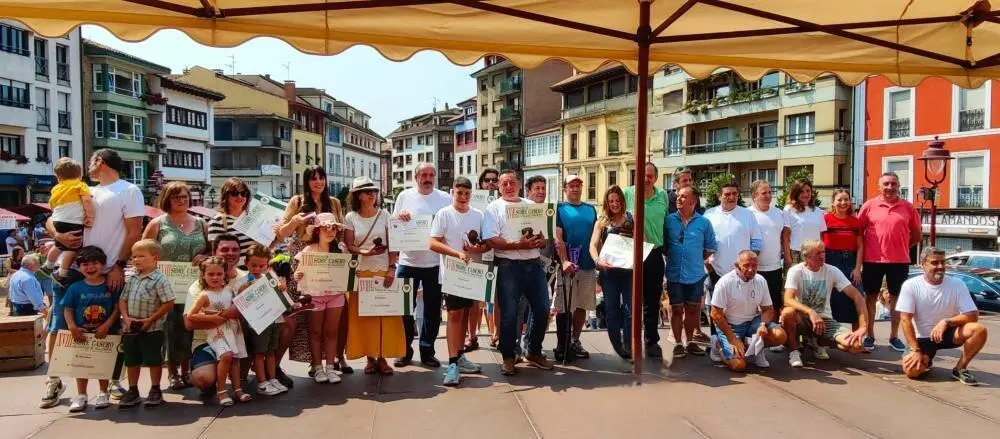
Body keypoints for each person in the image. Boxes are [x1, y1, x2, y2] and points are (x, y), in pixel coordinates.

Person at [46, 148, 145, 402]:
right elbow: (52, 218)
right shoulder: (84, 189)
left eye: (91, 160)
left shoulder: (128, 190)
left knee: (110, 330)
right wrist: (57, 235)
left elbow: (134, 231)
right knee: (59, 327)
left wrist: (118, 265)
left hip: (108, 270)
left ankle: (113, 381)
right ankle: (54, 381)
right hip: (73, 271)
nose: (88, 165)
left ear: (100, 161)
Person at [275, 166, 350, 377]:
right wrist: (294, 221)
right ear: (306, 182)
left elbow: (340, 232)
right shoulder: (297, 201)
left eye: (321, 178)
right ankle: (314, 363)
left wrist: (340, 254)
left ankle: (333, 359)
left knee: (332, 314)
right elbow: (281, 233)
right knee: (305, 314)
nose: (318, 182)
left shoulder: (334, 202)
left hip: (329, 256)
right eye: (313, 178)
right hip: (304, 257)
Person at [483, 170, 553, 375]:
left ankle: (533, 351)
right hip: (508, 266)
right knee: (509, 315)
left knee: (543, 309)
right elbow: (491, 240)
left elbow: (545, 238)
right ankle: (508, 357)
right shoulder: (493, 208)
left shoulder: (531, 206)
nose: (509, 187)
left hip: (533, 264)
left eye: (512, 182)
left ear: (519, 184)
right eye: (504, 183)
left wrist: (541, 241)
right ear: (498, 187)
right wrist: (518, 244)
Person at [142, 181, 209, 390]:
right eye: (176, 197)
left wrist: (205, 256)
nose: (181, 200)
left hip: (194, 285)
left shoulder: (201, 223)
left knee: (189, 327)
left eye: (184, 197)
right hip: (166, 287)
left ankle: (186, 369)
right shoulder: (157, 224)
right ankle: (172, 372)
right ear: (167, 199)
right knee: (171, 329)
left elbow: (210, 250)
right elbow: (143, 251)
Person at [428, 176, 489, 386]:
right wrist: (457, 254)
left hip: (473, 274)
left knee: (465, 315)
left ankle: (460, 355)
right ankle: (452, 363)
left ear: (471, 194)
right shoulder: (444, 214)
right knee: (454, 315)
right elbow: (432, 242)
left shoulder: (479, 215)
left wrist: (477, 248)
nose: (463, 197)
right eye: (459, 193)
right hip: (452, 274)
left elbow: (486, 244)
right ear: (452, 193)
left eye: (467, 193)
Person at [898, 247, 989, 385]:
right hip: (921, 338)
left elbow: (972, 315)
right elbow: (905, 319)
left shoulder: (957, 284)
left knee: (979, 329)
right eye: (935, 263)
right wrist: (915, 350)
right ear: (923, 264)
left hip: (948, 334)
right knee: (912, 372)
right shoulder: (910, 285)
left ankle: (960, 368)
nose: (940, 267)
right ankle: (926, 359)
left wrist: (947, 322)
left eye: (943, 262)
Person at [391, 163, 452, 368]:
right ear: (416, 177)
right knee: (404, 309)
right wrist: (399, 217)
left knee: (433, 311)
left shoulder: (445, 198)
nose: (427, 178)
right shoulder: (404, 196)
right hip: (407, 262)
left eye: (431, 175)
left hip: (435, 263)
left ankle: (427, 351)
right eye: (424, 175)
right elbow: (394, 223)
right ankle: (404, 350)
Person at [343, 176, 404, 375]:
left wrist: (392, 268)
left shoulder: (385, 215)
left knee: (385, 316)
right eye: (367, 191)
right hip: (361, 272)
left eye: (374, 191)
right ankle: (370, 357)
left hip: (383, 270)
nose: (372, 194)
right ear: (358, 196)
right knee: (365, 317)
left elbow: (394, 243)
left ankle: (383, 357)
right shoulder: (350, 217)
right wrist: (365, 252)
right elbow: (349, 245)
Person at [858, 171, 922, 352]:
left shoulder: (908, 207)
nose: (890, 187)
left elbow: (917, 235)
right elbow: (858, 232)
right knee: (870, 297)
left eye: (893, 184)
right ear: (879, 187)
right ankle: (869, 335)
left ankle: (894, 336)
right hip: (872, 260)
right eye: (886, 184)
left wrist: (901, 246)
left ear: (899, 186)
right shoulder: (869, 206)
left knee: (897, 299)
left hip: (899, 261)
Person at [780, 240, 868, 368]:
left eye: (823, 252)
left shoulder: (832, 271)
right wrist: (811, 312)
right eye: (818, 253)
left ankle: (820, 341)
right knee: (788, 312)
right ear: (806, 256)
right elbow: (788, 299)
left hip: (824, 320)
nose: (823, 256)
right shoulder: (796, 270)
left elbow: (858, 297)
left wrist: (863, 327)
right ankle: (794, 351)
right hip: (802, 318)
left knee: (856, 346)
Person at [182, 234, 250, 395]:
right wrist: (224, 316)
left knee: (284, 325)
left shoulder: (248, 277)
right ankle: (210, 375)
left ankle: (270, 373)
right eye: (225, 249)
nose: (230, 253)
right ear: (214, 252)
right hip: (208, 339)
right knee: (203, 379)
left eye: (235, 249)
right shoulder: (199, 286)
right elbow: (189, 323)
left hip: (240, 335)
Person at [60, 246, 119, 412]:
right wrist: (72, 327)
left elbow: (117, 308)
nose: (90, 267)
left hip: (105, 334)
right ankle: (81, 395)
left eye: (95, 263)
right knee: (81, 365)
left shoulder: (110, 285)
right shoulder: (75, 288)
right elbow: (67, 309)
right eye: (85, 264)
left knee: (102, 364)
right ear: (79, 267)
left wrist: (107, 325)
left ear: (103, 265)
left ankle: (103, 392)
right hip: (82, 334)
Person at [117, 239, 174, 408]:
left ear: (155, 257)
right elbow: (123, 299)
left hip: (152, 328)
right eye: (134, 256)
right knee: (131, 359)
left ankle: (155, 389)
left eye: (141, 256)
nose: (136, 260)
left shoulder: (160, 279)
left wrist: (151, 320)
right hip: (130, 327)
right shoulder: (132, 277)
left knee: (153, 359)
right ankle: (132, 390)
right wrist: (126, 318)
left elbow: (168, 302)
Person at [292, 213, 348, 384]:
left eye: (333, 228)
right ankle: (317, 367)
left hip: (335, 295)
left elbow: (349, 270)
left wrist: (354, 273)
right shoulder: (308, 250)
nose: (330, 232)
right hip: (315, 295)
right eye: (325, 228)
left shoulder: (341, 249)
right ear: (317, 231)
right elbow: (298, 272)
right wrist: (297, 275)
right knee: (315, 331)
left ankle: (330, 367)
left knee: (332, 332)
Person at [708, 251, 787, 371]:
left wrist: (762, 325)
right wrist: (732, 339)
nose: (751, 269)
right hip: (730, 326)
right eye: (746, 265)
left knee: (780, 335)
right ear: (737, 266)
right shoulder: (725, 282)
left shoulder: (761, 280)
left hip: (752, 322)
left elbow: (768, 310)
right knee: (739, 365)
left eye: (754, 266)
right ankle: (717, 344)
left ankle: (756, 349)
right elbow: (715, 313)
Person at [703, 181, 762, 338]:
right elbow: (702, 243)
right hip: (716, 270)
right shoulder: (709, 215)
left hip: (741, 273)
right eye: (727, 194)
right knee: (715, 308)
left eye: (734, 194)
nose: (731, 197)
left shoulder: (748, 215)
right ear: (719, 196)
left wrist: (748, 266)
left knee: (739, 308)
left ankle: (739, 339)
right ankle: (716, 341)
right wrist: (707, 264)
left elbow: (757, 242)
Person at [623, 162, 669, 358]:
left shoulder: (663, 196)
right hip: (632, 253)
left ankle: (651, 342)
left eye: (650, 176)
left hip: (654, 253)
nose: (646, 179)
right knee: (630, 299)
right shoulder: (627, 194)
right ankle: (628, 341)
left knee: (652, 300)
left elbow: (666, 223)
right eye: (642, 175)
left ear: (656, 178)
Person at [664, 186, 716, 358]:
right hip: (674, 273)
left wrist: (695, 258)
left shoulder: (704, 223)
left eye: (683, 196)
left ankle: (690, 342)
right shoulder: (668, 220)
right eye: (678, 196)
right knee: (676, 309)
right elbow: (664, 246)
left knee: (693, 309)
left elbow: (710, 247)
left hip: (695, 274)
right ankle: (678, 343)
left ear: (693, 201)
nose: (678, 199)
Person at [553, 174, 598, 362]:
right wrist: (564, 261)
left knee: (582, 306)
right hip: (568, 266)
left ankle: (575, 340)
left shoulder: (591, 209)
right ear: (565, 189)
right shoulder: (559, 208)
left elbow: (597, 237)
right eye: (571, 186)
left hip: (587, 265)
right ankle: (562, 344)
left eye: (578, 185)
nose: (575, 188)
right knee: (564, 307)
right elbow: (558, 238)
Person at [235, 244, 288, 394]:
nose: (257, 269)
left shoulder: (270, 278)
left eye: (261, 266)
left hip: (275, 319)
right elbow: (239, 301)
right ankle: (262, 383)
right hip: (258, 324)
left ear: (267, 265)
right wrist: (245, 288)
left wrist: (282, 288)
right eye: (253, 265)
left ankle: (272, 379)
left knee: (271, 352)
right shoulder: (241, 282)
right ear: (246, 263)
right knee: (259, 353)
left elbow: (281, 296)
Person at [589, 185, 634, 360]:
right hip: (609, 272)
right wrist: (597, 261)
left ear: (622, 201)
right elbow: (593, 245)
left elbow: (642, 240)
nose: (615, 204)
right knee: (611, 310)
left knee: (630, 310)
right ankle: (618, 345)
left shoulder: (631, 218)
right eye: (611, 201)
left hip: (628, 271)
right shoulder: (602, 222)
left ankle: (629, 345)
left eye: (617, 200)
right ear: (606, 203)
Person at [42, 157, 94, 285]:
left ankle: (47, 265)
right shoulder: (80, 185)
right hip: (73, 222)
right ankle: (61, 273)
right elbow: (87, 201)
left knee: (59, 245)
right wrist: (90, 216)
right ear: (80, 175)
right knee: (73, 247)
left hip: (57, 220)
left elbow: (52, 204)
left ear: (58, 177)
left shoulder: (56, 188)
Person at [746, 180, 790, 329]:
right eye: (763, 193)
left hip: (774, 267)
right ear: (754, 196)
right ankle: (753, 333)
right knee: (752, 305)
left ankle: (774, 333)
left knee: (774, 304)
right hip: (754, 268)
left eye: (770, 192)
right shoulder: (747, 214)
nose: (768, 196)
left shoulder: (779, 213)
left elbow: (784, 237)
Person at [822, 189, 865, 330]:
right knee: (830, 301)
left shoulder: (856, 222)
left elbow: (860, 246)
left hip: (849, 262)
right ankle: (829, 336)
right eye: (839, 200)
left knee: (857, 298)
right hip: (830, 260)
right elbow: (820, 242)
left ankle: (858, 337)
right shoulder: (825, 219)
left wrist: (857, 269)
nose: (843, 202)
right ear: (833, 202)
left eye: (846, 199)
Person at [471, 167, 499, 350]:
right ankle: (472, 336)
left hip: (498, 254)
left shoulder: (504, 202)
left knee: (495, 298)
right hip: (477, 253)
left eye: (494, 180)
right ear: (481, 183)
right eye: (487, 180)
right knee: (475, 298)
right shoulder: (472, 203)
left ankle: (495, 334)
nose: (490, 183)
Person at [206, 177, 256, 257]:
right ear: (226, 195)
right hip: (234, 265)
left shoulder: (254, 217)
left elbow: (266, 247)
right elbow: (215, 254)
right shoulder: (218, 220)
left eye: (243, 193)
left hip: (258, 264)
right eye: (234, 193)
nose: (240, 196)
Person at [782, 178, 826, 265]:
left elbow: (821, 237)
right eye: (801, 191)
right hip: (796, 254)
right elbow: (785, 237)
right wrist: (788, 259)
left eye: (808, 191)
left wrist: (822, 255)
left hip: (815, 254)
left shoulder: (818, 211)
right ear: (796, 193)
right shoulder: (789, 209)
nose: (805, 194)